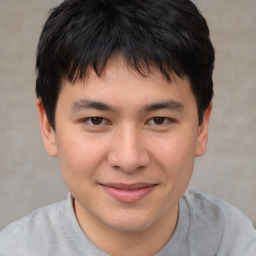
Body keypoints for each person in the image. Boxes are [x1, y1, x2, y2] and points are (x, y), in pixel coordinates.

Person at [0, 0, 256, 255]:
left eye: (159, 120)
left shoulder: (234, 242)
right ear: (48, 126)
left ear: (202, 127)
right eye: (96, 120)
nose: (129, 159)